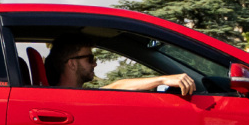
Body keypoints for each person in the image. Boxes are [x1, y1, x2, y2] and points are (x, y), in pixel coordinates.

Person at [43, 33, 196, 95]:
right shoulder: (62, 97)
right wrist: (162, 80)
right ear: (72, 64)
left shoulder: (71, 95)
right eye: (90, 59)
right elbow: (114, 87)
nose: (95, 64)